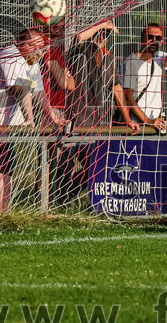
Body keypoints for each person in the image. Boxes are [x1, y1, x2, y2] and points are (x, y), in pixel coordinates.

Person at [0, 28, 71, 211]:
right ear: (23, 44)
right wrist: (29, 118)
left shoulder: (31, 60)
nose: (40, 51)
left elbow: (38, 92)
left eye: (41, 47)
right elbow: (21, 89)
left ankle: (2, 214)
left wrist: (53, 118)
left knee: (4, 168)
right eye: (36, 46)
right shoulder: (10, 55)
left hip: (1, 125)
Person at [54, 23, 139, 207]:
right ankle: (55, 201)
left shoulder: (109, 58)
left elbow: (117, 89)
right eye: (99, 33)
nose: (102, 37)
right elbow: (79, 37)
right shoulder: (79, 51)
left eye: (105, 34)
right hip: (73, 121)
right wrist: (103, 24)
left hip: (96, 125)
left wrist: (127, 119)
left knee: (94, 168)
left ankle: (64, 198)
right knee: (63, 169)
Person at [122, 23, 167, 132]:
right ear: (142, 38)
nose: (153, 40)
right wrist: (148, 121)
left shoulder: (159, 57)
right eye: (150, 37)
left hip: (156, 124)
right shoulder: (130, 62)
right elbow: (128, 97)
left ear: (161, 41)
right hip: (137, 126)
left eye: (158, 38)